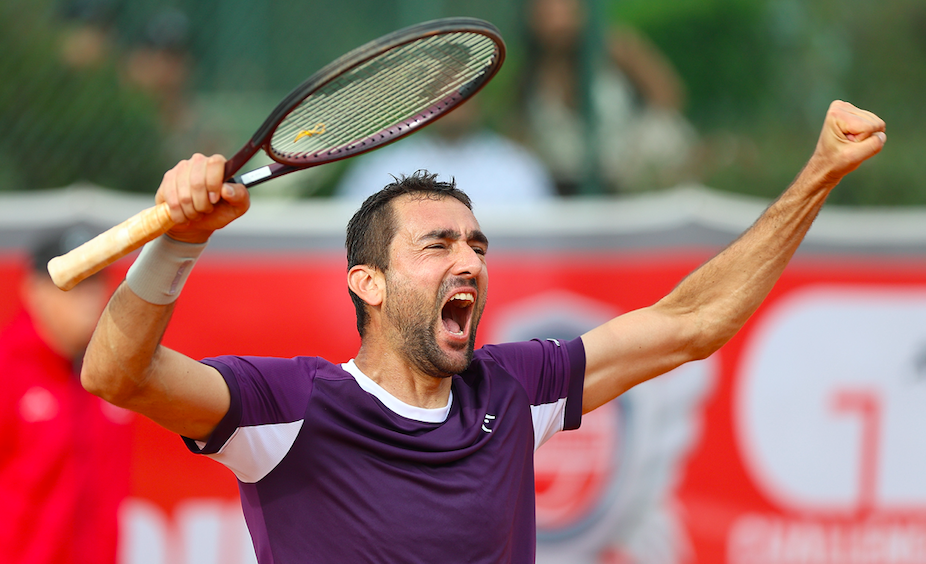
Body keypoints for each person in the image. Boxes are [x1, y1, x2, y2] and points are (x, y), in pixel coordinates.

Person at [80, 100, 885, 563]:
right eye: (437, 244)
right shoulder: (292, 406)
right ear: (367, 283)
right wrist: (179, 239)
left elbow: (693, 322)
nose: (468, 259)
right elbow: (116, 375)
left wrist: (817, 174)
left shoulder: (513, 387)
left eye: (477, 245)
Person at [0, 227, 132, 564]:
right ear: (34, 290)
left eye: (95, 282)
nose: (88, 298)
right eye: (73, 283)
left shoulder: (115, 371)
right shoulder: (8, 367)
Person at [518, 0, 698, 195]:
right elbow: (517, 130)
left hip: (630, 172)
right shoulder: (532, 69)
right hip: (565, 182)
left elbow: (669, 94)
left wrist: (635, 151)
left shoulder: (615, 45)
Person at [335, 99, 557, 204]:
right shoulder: (378, 169)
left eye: (464, 87)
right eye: (442, 87)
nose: (453, 99)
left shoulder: (519, 169)